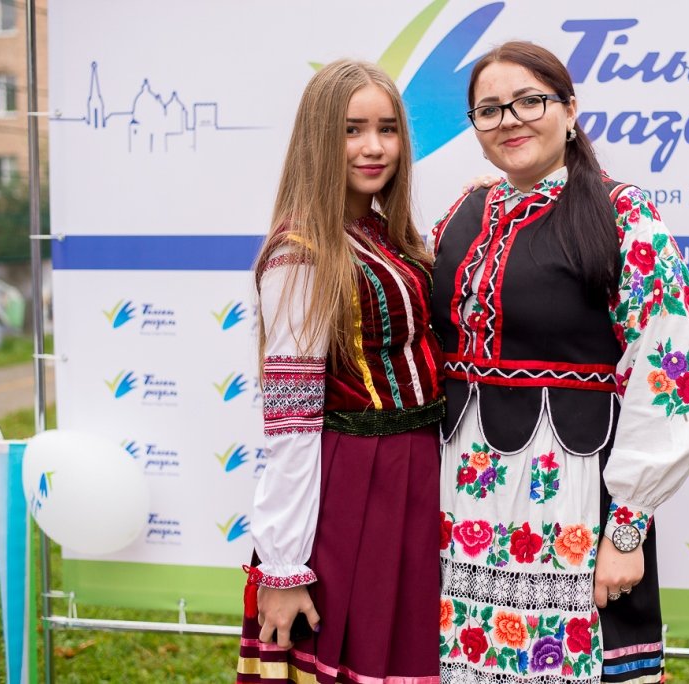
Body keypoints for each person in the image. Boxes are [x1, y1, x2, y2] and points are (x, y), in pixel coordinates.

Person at [432, 42, 689, 684]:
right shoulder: (463, 213)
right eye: (489, 110)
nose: (510, 120)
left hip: (569, 504)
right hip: (463, 504)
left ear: (570, 110)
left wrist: (626, 529)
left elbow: (668, 373)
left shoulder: (623, 215)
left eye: (530, 101)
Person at [236, 59, 443, 684]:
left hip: (418, 473)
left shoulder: (385, 233)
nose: (374, 147)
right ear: (318, 138)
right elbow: (292, 422)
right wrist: (281, 568)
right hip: (356, 485)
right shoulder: (299, 255)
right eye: (352, 130)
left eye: (387, 129)